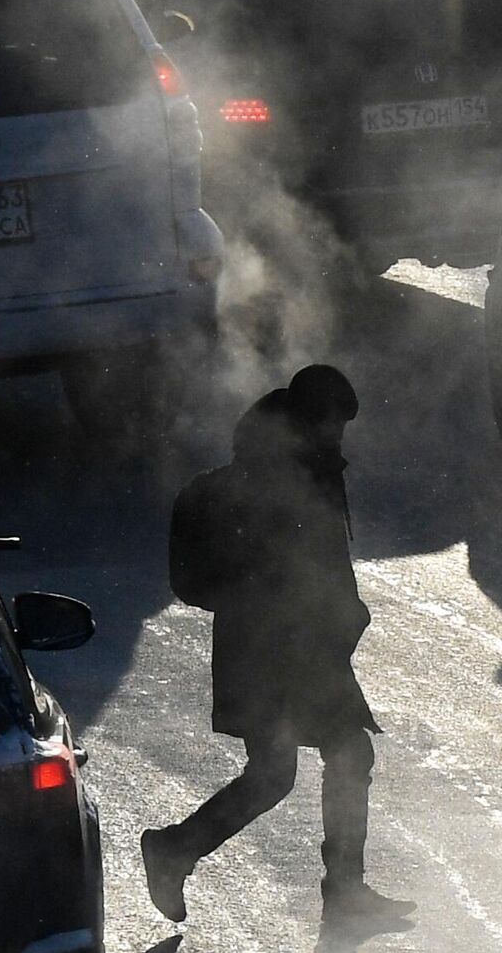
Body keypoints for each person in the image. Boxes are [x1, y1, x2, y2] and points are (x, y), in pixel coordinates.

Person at [145, 365, 415, 923]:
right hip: (274, 651)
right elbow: (287, 568)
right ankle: (179, 850)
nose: (338, 435)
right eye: (332, 425)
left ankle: (181, 850)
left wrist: (343, 614)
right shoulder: (272, 478)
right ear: (307, 422)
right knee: (308, 763)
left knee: (299, 766)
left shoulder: (307, 466)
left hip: (300, 646)